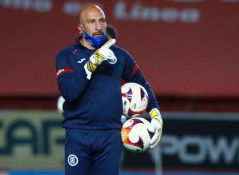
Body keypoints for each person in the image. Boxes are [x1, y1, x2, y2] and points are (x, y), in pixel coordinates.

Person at [55, 4, 163, 175]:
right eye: (92, 22)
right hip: (79, 134)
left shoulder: (121, 56)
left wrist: (156, 115)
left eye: (102, 21)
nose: (98, 27)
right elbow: (69, 92)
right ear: (80, 28)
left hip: (111, 136)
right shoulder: (67, 56)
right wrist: (91, 65)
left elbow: (143, 85)